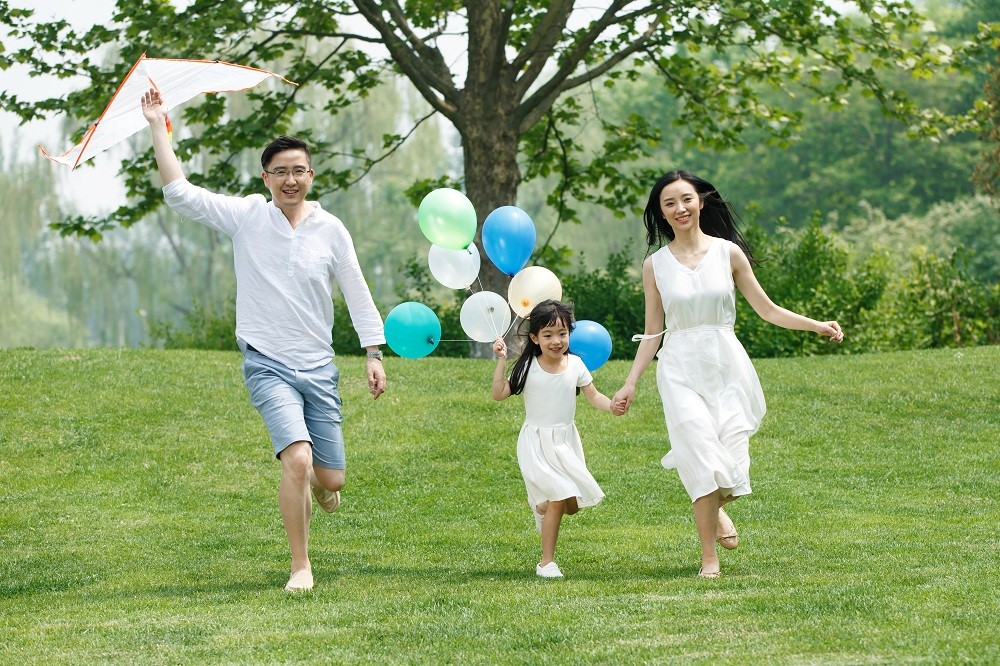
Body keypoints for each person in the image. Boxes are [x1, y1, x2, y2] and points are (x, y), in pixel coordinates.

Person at [140, 88, 387, 592]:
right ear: (265, 178)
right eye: (280, 172)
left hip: (318, 366)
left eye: (298, 171)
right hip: (267, 362)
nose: (290, 180)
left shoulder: (331, 229)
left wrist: (373, 353)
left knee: (331, 478)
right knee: (296, 459)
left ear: (310, 175)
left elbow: (357, 291)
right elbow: (181, 193)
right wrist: (157, 125)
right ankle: (301, 566)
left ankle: (323, 486)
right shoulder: (248, 216)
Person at [613, 170, 844, 579]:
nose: (680, 208)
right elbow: (653, 331)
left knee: (735, 468)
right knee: (704, 459)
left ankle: (712, 505)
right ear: (661, 213)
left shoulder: (728, 253)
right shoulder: (655, 266)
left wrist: (816, 325)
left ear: (701, 202)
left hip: (725, 364)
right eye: (669, 203)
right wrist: (631, 382)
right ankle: (709, 559)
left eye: (686, 199)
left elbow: (767, 309)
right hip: (679, 367)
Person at [491, 299, 618, 579]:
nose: (556, 341)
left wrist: (612, 406)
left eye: (562, 333)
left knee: (571, 506)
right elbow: (499, 393)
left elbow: (594, 396)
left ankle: (543, 507)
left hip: (565, 441)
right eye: (548, 335)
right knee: (560, 496)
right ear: (535, 338)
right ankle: (546, 563)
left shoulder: (576, 364)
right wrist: (501, 360)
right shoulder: (528, 366)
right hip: (536, 442)